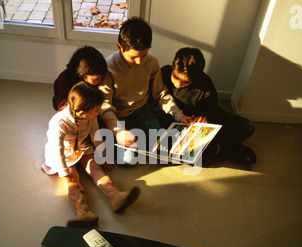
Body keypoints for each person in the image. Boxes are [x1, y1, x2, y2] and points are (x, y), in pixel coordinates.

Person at [42, 82, 141, 228]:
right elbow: (58, 151)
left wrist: (103, 154)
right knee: (73, 180)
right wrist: (64, 173)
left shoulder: (90, 116)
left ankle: (115, 196)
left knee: (95, 168)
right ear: (82, 112)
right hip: (63, 154)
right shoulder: (59, 124)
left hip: (82, 146)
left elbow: (95, 134)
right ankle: (83, 211)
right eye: (96, 109)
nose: (99, 111)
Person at [98, 17, 191, 164]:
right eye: (134, 57)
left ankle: (141, 139)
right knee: (127, 161)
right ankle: (129, 141)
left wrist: (179, 115)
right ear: (119, 47)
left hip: (144, 111)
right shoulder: (108, 68)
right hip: (120, 116)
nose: (139, 62)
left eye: (144, 55)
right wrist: (118, 131)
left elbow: (161, 94)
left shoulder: (152, 62)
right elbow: (105, 107)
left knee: (165, 146)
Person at [161, 47, 256, 165]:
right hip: (177, 122)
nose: (178, 84)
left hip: (198, 124)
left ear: (196, 78)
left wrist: (205, 117)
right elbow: (159, 99)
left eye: (186, 82)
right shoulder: (163, 73)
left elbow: (212, 111)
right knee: (189, 154)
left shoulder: (205, 84)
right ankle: (228, 149)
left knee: (247, 126)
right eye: (175, 77)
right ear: (172, 67)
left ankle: (218, 147)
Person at [52, 46, 108, 112]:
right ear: (83, 76)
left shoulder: (92, 80)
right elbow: (63, 110)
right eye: (96, 79)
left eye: (102, 77)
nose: (100, 81)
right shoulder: (64, 82)